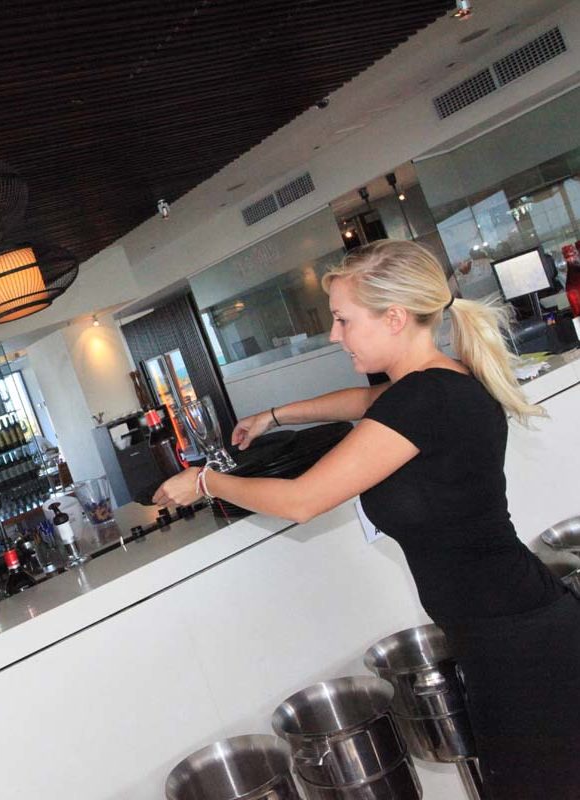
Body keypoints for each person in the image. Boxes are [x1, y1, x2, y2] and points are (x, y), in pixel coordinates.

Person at [153, 239, 580, 798]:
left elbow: (302, 500)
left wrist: (205, 483)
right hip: (509, 626)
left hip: (518, 642)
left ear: (395, 317)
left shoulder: (420, 400)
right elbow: (359, 402)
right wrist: (273, 415)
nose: (334, 335)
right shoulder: (440, 380)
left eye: (342, 320)